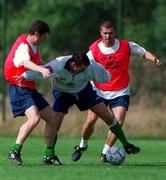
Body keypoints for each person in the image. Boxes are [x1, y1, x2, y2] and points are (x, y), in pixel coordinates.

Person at [20, 51, 140, 164]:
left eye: (85, 69)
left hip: (84, 91)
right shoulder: (58, 65)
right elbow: (41, 71)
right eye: (81, 69)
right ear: (73, 64)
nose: (83, 71)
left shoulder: (91, 66)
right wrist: (25, 75)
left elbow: (106, 76)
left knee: (107, 116)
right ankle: (48, 155)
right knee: (54, 121)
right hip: (63, 93)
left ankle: (126, 144)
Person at [71, 20, 161, 162]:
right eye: (105, 33)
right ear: (101, 33)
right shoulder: (94, 49)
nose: (108, 36)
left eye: (111, 33)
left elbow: (142, 52)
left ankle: (105, 153)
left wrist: (154, 58)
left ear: (115, 32)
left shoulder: (125, 46)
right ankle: (82, 145)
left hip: (120, 90)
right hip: (99, 90)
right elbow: (83, 65)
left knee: (117, 121)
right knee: (91, 120)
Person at [4, 20, 62, 165]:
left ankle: (49, 155)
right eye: (44, 37)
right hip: (19, 87)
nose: (44, 40)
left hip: (29, 88)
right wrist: (42, 70)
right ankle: (14, 151)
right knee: (35, 118)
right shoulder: (23, 45)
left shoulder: (34, 46)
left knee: (53, 118)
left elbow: (36, 60)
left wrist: (48, 68)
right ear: (37, 34)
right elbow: (26, 63)